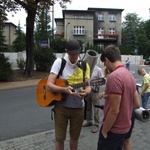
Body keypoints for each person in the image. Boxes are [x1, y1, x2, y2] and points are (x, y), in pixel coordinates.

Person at [46, 40, 91, 150]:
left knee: (74, 138)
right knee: (60, 138)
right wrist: (64, 89)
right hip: (61, 108)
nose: (75, 57)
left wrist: (86, 92)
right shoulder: (59, 62)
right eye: (72, 54)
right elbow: (48, 85)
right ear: (66, 52)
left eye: (77, 54)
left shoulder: (85, 65)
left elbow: (89, 86)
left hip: (78, 109)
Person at [97, 45, 140, 150]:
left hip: (113, 129)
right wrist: (125, 109)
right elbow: (137, 104)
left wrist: (104, 131)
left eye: (105, 63)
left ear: (107, 60)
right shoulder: (129, 75)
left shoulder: (114, 76)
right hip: (125, 126)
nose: (106, 67)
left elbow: (114, 110)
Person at [82, 65, 104, 133]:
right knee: (88, 107)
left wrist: (96, 86)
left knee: (96, 108)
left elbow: (102, 81)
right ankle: (89, 121)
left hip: (95, 92)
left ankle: (97, 124)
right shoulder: (86, 69)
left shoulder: (98, 70)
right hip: (87, 91)